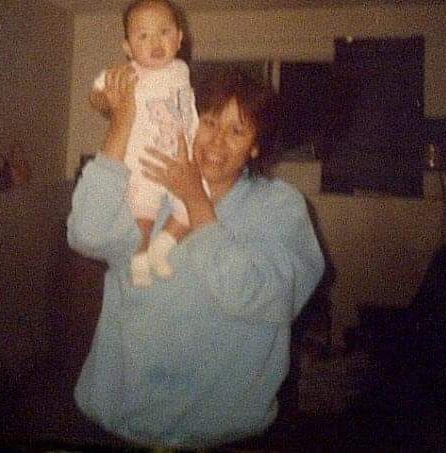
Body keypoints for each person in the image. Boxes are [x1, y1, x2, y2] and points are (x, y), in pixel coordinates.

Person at [67, 64, 325, 450]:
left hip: (218, 437)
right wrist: (121, 124)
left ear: (255, 146)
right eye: (209, 122)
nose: (217, 141)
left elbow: (259, 295)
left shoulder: (280, 207)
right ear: (188, 121)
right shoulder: (150, 186)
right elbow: (86, 235)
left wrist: (195, 201)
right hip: (117, 426)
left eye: (237, 131)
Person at [90, 0, 199, 287]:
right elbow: (96, 94)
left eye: (164, 32)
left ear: (179, 38)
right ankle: (138, 257)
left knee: (192, 208)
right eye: (143, 36)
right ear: (128, 48)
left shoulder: (181, 70)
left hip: (182, 163)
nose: (155, 42)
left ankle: (162, 246)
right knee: (142, 216)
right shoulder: (129, 73)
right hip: (143, 164)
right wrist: (106, 100)